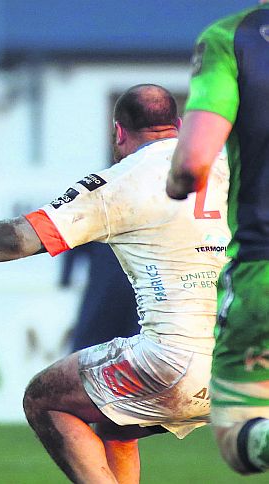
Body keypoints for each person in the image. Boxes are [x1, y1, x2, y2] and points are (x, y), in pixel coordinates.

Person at [0, 84, 231, 483]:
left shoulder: (118, 183)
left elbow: (16, 238)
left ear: (117, 133)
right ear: (178, 126)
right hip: (236, 364)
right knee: (117, 426)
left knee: (43, 398)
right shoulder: (224, 167)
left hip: (170, 361)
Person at [166, 1, 269, 475]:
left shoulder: (234, 38)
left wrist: (175, 183)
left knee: (237, 430)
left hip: (261, 271)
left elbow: (191, 165)